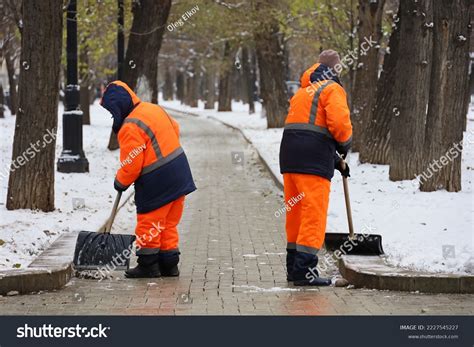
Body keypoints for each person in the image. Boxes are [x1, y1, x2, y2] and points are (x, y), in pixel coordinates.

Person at [100, 81, 196, 278]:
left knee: (149, 223)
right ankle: (169, 264)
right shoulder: (152, 108)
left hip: (158, 180)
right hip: (179, 170)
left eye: (112, 111)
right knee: (168, 223)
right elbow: (175, 128)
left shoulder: (130, 126)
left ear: (118, 107)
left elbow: (132, 163)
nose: (112, 115)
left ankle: (148, 265)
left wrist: (121, 181)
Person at [279, 50, 352, 286]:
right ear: (336, 69)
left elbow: (310, 129)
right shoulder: (332, 89)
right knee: (313, 213)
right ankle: (305, 272)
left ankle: (294, 269)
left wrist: (334, 159)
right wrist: (345, 144)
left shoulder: (303, 91)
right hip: (312, 162)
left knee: (296, 213)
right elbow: (339, 125)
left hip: (290, 158)